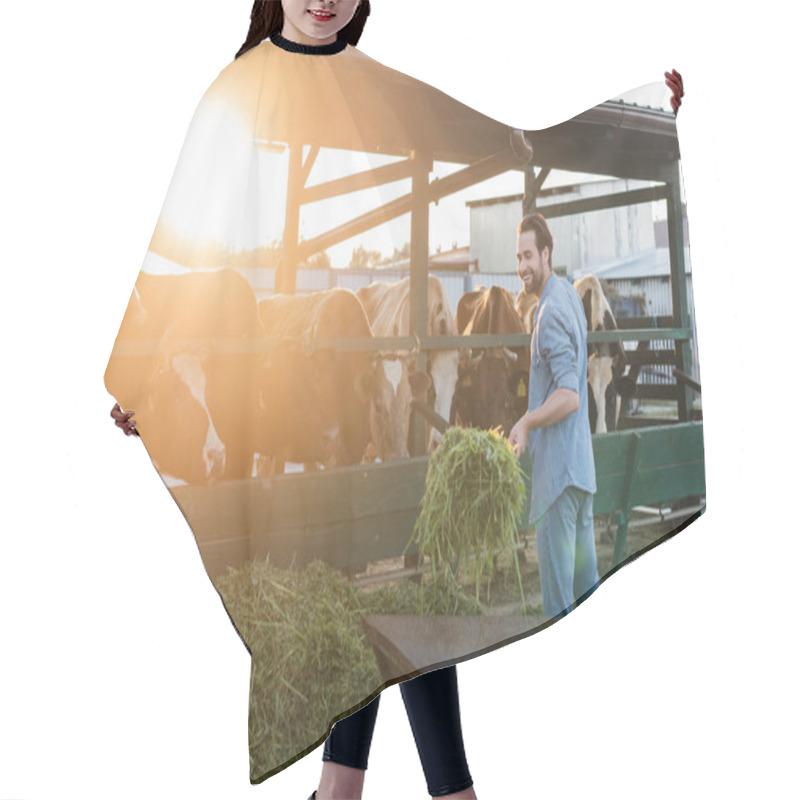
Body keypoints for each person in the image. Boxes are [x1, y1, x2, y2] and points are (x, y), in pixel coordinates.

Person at [109, 1, 686, 796]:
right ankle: (418, 791)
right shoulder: (235, 92)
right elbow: (185, 244)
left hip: (368, 439)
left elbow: (503, 137)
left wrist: (641, 110)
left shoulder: (375, 85)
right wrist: (139, 373)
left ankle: (369, 791)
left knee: (386, 608)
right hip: (274, 411)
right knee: (373, 613)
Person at [508, 213, 599, 619]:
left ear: (546, 253)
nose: (523, 266)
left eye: (529, 255)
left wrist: (526, 422)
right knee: (588, 597)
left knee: (559, 611)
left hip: (558, 483)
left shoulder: (548, 316)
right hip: (580, 472)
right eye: (519, 257)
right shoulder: (569, 299)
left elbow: (568, 396)